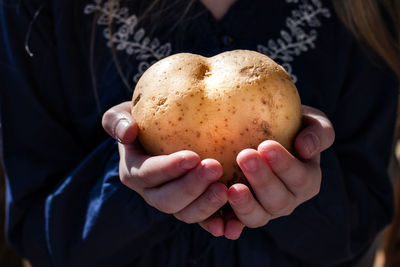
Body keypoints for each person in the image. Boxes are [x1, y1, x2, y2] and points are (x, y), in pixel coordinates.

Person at [0, 0, 398, 266]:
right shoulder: (41, 10)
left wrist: (308, 189)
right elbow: (36, 231)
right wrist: (131, 181)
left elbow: (365, 221)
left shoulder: (364, 12)